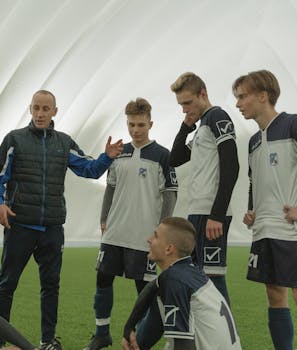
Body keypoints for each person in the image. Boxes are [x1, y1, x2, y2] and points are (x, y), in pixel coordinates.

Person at [0, 90, 123, 350]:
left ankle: (48, 341)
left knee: (51, 287)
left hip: (52, 228)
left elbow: (89, 169)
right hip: (19, 226)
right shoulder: (14, 139)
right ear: (30, 109)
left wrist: (106, 157)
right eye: (36, 108)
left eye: (45, 109)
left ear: (54, 112)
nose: (40, 113)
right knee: (7, 285)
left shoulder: (64, 142)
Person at [233, 69, 297, 350]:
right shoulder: (254, 141)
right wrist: (253, 210)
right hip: (264, 230)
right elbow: (256, 181)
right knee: (274, 295)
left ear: (263, 96)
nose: (238, 103)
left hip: (293, 232)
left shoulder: (294, 124)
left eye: (243, 96)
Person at [83, 98, 177, 350]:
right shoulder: (119, 152)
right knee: (103, 279)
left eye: (140, 125)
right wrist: (104, 219)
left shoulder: (163, 156)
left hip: (143, 236)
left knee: (145, 289)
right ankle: (101, 334)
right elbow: (110, 189)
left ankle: (142, 340)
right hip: (114, 231)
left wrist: (162, 230)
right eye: (131, 124)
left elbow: (170, 193)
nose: (135, 130)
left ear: (151, 123)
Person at [169, 72, 239, 305]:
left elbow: (232, 166)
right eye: (181, 105)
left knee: (213, 280)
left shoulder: (218, 117)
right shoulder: (201, 128)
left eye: (188, 103)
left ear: (203, 94)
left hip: (211, 215)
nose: (184, 109)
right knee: (199, 279)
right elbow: (175, 158)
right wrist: (185, 126)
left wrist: (217, 215)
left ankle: (228, 340)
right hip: (197, 213)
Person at [122, 217, 242, 350]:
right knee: (160, 302)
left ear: (169, 249)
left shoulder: (175, 281)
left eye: (155, 236)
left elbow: (184, 345)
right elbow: (152, 288)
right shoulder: (189, 272)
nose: (149, 239)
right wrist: (129, 327)